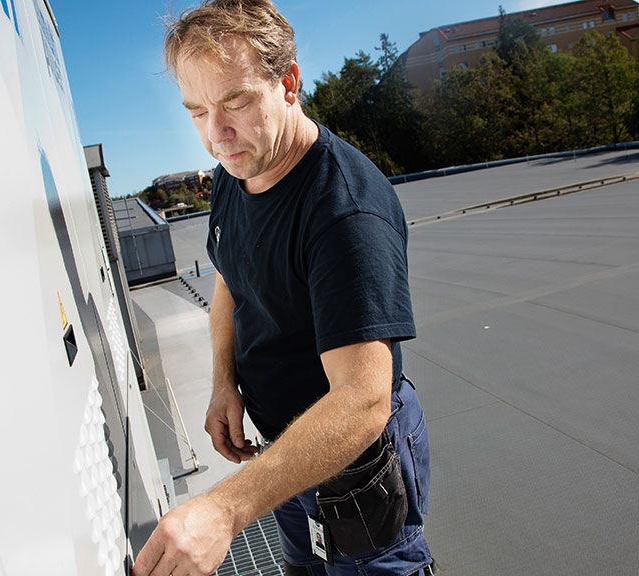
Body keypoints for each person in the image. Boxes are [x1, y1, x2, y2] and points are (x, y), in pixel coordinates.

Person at [132, 1, 433, 574]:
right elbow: (230, 277)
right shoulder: (234, 173)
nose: (215, 135)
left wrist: (224, 510)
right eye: (196, 112)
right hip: (284, 460)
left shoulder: (344, 210)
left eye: (235, 102)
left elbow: (362, 401)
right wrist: (224, 380)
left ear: (289, 83)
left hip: (354, 462)